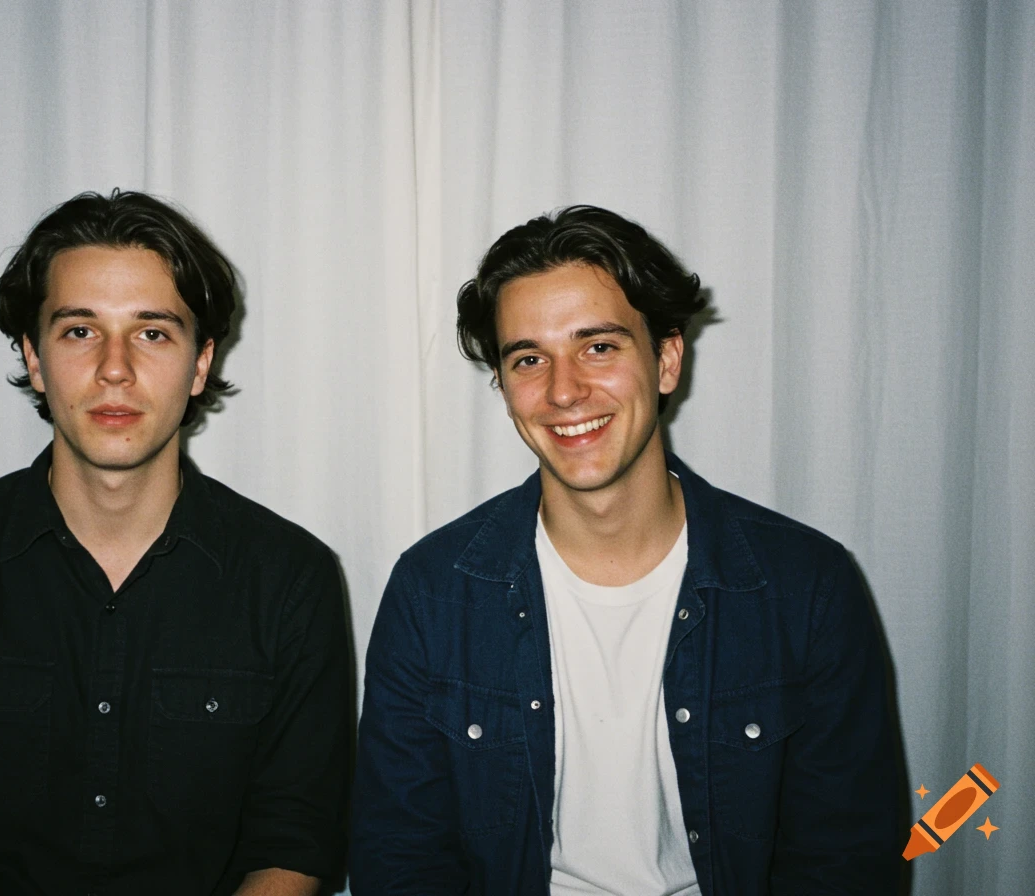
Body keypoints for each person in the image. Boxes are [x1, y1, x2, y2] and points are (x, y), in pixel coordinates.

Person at [350, 206, 901, 895]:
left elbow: (847, 859)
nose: (564, 391)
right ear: (504, 387)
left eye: (599, 347)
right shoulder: (433, 591)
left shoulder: (805, 587)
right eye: (529, 359)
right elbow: (398, 860)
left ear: (666, 360)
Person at [0, 190, 350, 896]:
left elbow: (296, 842)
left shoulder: (291, 578)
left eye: (152, 332)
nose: (115, 368)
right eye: (79, 331)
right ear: (34, 358)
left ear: (200, 363)